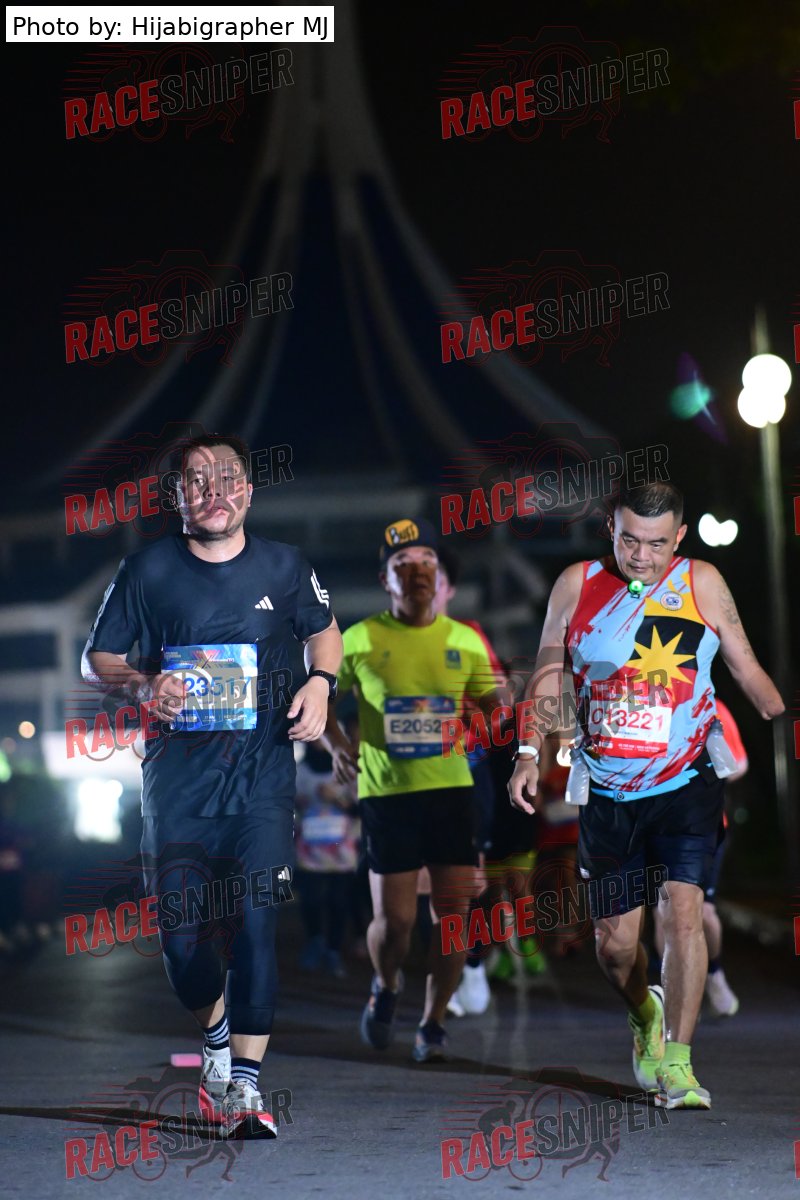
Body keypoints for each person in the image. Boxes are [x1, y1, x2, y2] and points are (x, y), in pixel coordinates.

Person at [82, 433, 342, 1138]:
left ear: (249, 491)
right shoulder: (146, 571)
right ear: (178, 497)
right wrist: (143, 683)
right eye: (196, 480)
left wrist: (321, 683)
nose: (214, 491)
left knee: (256, 925)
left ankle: (245, 1090)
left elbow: (325, 632)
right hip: (179, 788)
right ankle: (217, 1039)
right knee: (182, 942)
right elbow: (97, 656)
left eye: (227, 478)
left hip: (261, 782)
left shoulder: (286, 566)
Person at [508, 481, 784, 1110]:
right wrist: (527, 752)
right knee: (614, 947)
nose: (641, 556)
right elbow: (548, 673)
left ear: (679, 537)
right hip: (609, 792)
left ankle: (679, 1065)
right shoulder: (577, 583)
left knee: (683, 912)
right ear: (611, 527)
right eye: (630, 540)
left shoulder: (702, 581)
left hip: (686, 782)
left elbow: (745, 666)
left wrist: (781, 711)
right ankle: (644, 1014)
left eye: (657, 544)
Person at [320, 518, 508, 1062]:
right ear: (386, 579)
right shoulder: (359, 638)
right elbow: (321, 696)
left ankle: (433, 1022)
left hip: (452, 793)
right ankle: (386, 984)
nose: (418, 571)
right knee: (396, 923)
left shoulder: (464, 639)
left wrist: (483, 723)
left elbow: (496, 709)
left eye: (427, 561)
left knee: (453, 920)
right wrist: (337, 745)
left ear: (439, 575)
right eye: (403, 564)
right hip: (388, 797)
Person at [652, 698, 748, 1016]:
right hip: (657, 827)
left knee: (704, 912)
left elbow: (739, 763)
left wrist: (704, 774)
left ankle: (714, 974)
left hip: (705, 828)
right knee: (663, 911)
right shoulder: (644, 705)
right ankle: (672, 989)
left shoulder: (712, 707)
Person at [294, 738, 360, 977]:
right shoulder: (300, 770)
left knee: (338, 901)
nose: (320, 742)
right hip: (309, 849)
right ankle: (315, 941)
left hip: (342, 850)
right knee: (310, 899)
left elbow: (361, 806)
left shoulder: (347, 770)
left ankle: (333, 949)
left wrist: (337, 799)